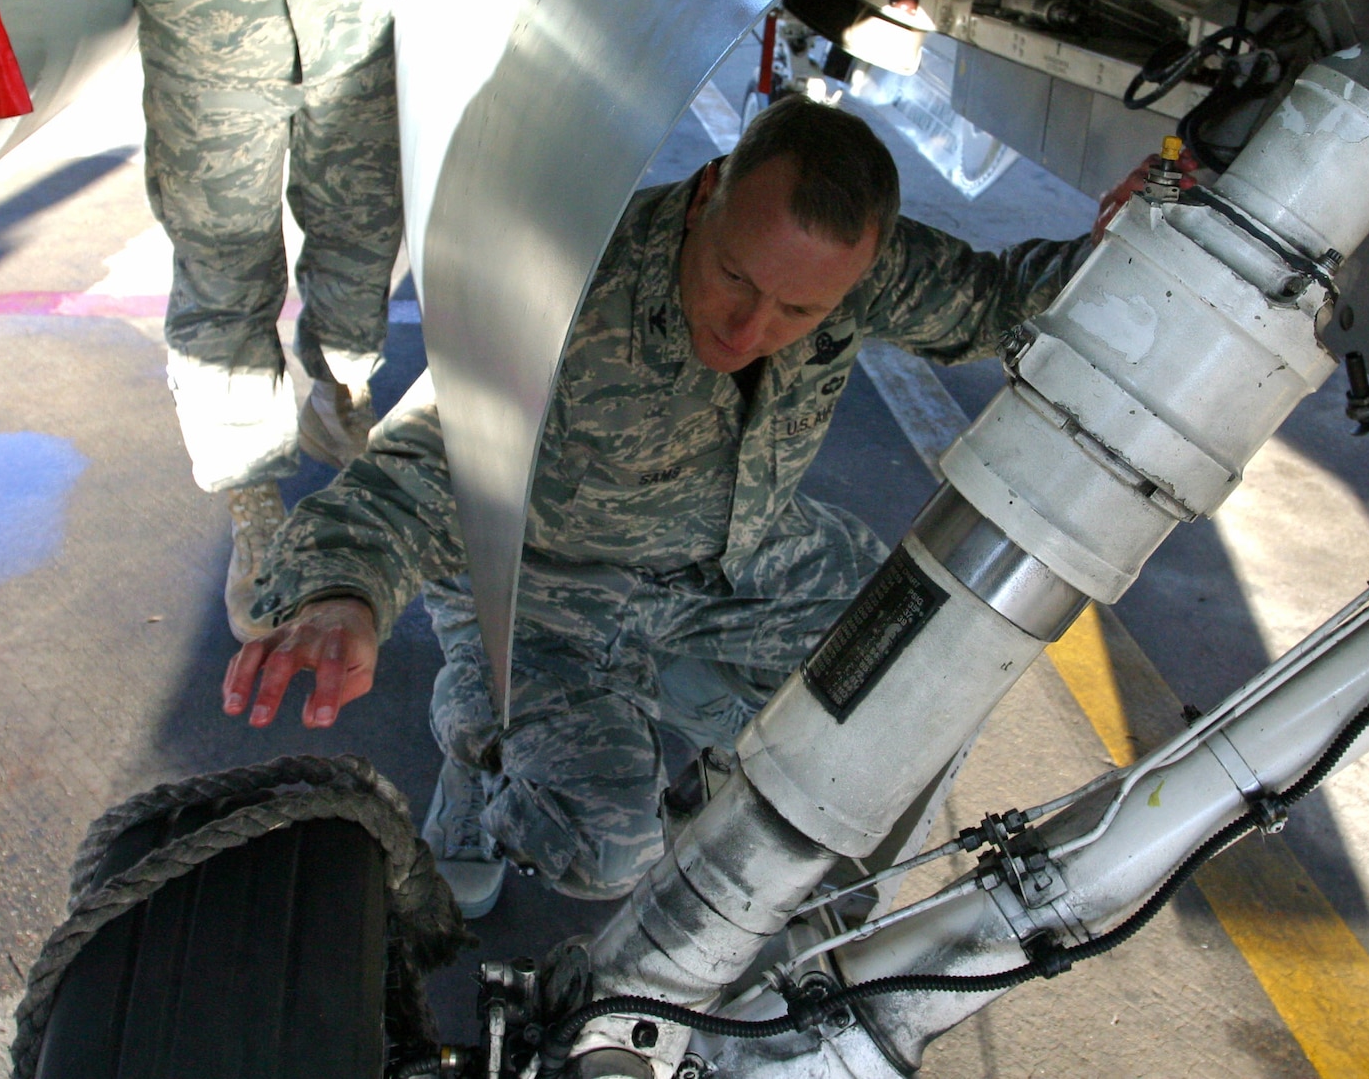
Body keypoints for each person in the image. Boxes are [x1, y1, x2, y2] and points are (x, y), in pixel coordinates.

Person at [224, 98, 1098, 917]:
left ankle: (662, 713)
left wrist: (1129, 238)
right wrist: (341, 592)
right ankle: (482, 755)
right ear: (707, 193)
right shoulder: (560, 285)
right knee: (606, 846)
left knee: (909, 660)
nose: (749, 330)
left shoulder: (856, 266)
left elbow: (1000, 303)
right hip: (547, 591)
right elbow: (415, 467)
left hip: (735, 559)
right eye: (734, 277)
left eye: (800, 309)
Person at [86, 0, 469, 641]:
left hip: (350, 15)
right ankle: (254, 504)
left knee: (362, 235)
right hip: (209, 31)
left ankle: (340, 393)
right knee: (223, 273)